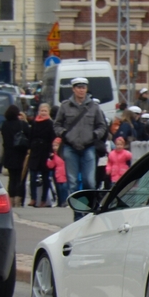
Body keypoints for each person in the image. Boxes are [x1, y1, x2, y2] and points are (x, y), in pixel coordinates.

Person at [53, 77, 108, 220]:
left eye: (83, 87)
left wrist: (95, 135)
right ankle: (78, 213)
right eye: (78, 87)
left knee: (89, 180)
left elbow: (102, 125)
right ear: (73, 89)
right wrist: (64, 134)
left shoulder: (94, 107)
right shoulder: (65, 106)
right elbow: (57, 124)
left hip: (88, 147)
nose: (81, 90)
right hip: (70, 147)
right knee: (72, 182)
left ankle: (88, 210)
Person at [0, 105, 31, 207]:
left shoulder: (4, 125)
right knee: (20, 179)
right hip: (21, 155)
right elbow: (29, 137)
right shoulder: (22, 125)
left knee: (12, 178)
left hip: (9, 155)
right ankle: (19, 199)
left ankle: (11, 199)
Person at [28, 103, 56, 207]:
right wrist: (30, 147)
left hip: (45, 152)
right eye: (41, 111)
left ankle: (44, 199)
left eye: (45, 111)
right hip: (35, 151)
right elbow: (30, 136)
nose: (43, 113)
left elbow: (53, 138)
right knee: (32, 176)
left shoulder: (50, 123)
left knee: (45, 178)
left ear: (48, 112)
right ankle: (33, 198)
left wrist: (51, 152)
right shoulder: (35, 123)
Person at [46, 138, 68, 207]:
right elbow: (51, 166)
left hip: (65, 174)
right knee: (59, 189)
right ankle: (61, 202)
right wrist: (50, 159)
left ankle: (65, 201)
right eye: (53, 146)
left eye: (56, 145)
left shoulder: (65, 154)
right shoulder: (54, 155)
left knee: (65, 189)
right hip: (58, 175)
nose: (54, 147)